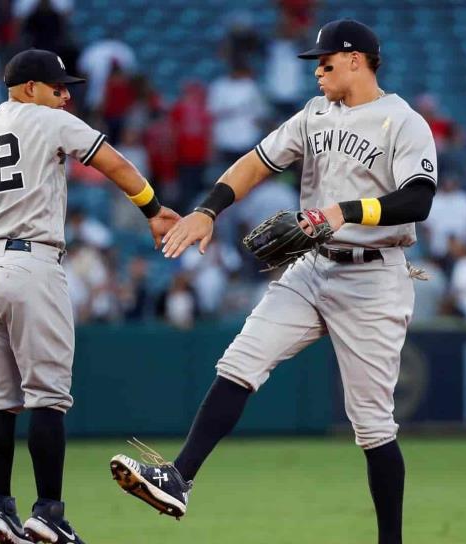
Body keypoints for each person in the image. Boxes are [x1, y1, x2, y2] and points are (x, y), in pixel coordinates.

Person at [110, 20, 437, 544]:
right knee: (239, 362)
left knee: (372, 426)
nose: (317, 72)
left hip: (374, 277)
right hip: (313, 266)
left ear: (356, 60)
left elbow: (417, 197)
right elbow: (257, 163)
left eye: (325, 62)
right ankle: (179, 477)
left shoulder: (401, 121)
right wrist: (208, 210)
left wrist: (344, 210)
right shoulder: (313, 115)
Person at [0, 49, 178, 544]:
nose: (66, 95)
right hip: (30, 263)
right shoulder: (50, 122)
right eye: (57, 86)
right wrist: (153, 208)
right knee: (47, 396)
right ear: (29, 88)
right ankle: (47, 512)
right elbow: (111, 161)